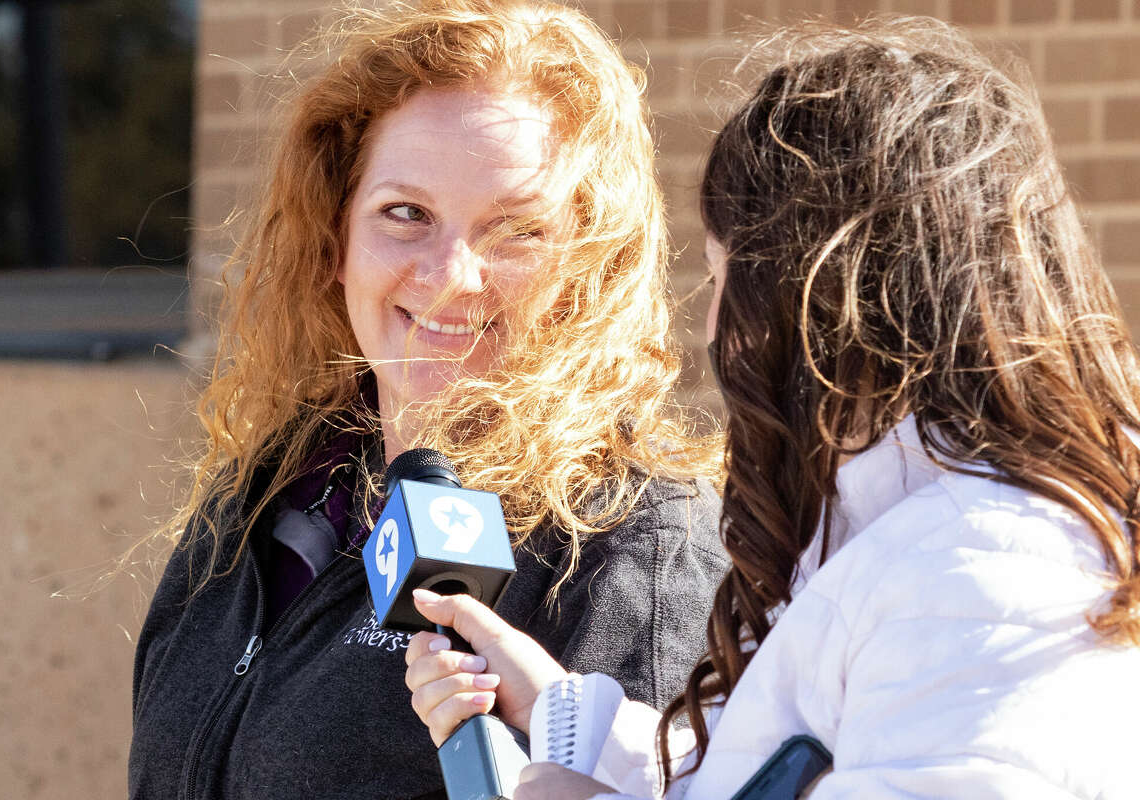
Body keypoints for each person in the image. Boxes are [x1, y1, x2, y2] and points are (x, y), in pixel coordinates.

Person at [405, 17, 1140, 800]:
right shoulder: (901, 535)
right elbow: (755, 776)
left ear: (831, 290)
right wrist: (565, 714)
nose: (715, 326)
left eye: (728, 279)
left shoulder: (986, 577)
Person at [126, 2, 728, 798]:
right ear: (334, 240)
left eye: (515, 230)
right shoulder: (260, 506)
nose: (451, 274)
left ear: (583, 268)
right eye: (405, 214)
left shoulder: (635, 544)